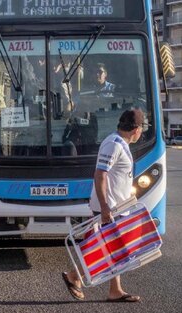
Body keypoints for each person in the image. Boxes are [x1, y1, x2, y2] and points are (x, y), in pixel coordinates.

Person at [62, 109, 146, 303]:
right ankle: (73, 276)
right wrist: (105, 207)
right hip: (108, 208)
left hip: (117, 207)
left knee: (113, 248)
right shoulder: (113, 145)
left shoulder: (120, 143)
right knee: (103, 248)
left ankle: (114, 290)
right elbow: (100, 175)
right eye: (141, 128)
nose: (141, 132)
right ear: (136, 130)